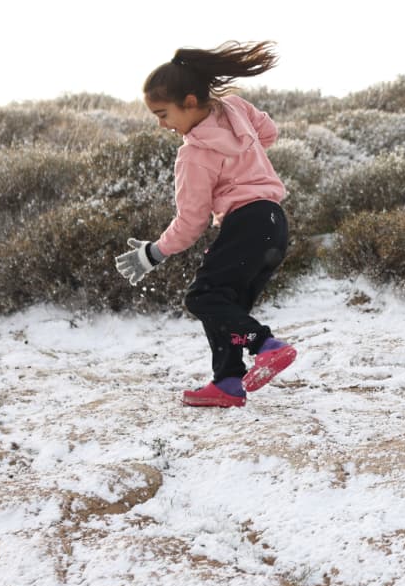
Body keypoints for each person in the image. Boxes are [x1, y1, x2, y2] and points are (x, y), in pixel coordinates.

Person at [115, 41, 298, 408]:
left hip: (244, 222)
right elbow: (269, 133)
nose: (161, 124)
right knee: (225, 305)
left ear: (189, 102)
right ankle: (228, 382)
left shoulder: (194, 154)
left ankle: (265, 345)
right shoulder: (235, 109)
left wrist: (154, 253)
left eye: (163, 114)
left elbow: (191, 221)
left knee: (202, 297)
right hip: (274, 222)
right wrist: (245, 160)